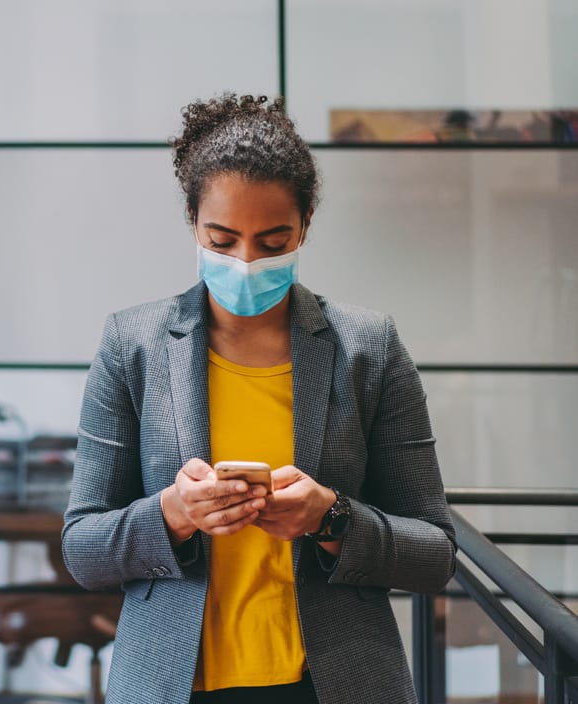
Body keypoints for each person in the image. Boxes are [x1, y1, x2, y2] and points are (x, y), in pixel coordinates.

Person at [60, 94, 456, 704]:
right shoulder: (132, 346)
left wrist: (331, 518)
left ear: (305, 226)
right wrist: (173, 514)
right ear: (193, 221)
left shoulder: (366, 348)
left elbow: (433, 554)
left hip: (333, 682)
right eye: (222, 240)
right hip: (174, 682)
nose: (246, 262)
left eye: (273, 243)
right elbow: (83, 549)